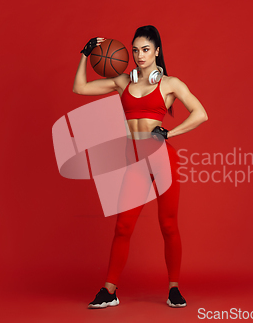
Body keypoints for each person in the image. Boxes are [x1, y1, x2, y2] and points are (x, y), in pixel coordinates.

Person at [73, 25, 208, 308]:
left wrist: (171, 133)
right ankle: (109, 291)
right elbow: (80, 88)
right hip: (134, 162)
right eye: (135, 50)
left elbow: (201, 114)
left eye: (145, 49)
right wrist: (85, 55)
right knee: (123, 227)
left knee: (168, 225)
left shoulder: (170, 84)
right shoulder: (123, 81)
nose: (139, 55)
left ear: (157, 51)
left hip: (161, 160)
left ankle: (174, 289)